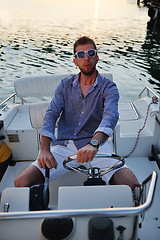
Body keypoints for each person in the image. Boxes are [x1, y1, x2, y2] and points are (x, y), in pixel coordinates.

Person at [14, 36, 139, 190]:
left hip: (97, 146)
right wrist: (44, 149)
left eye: (91, 53)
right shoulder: (65, 85)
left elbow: (110, 117)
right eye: (81, 55)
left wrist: (93, 144)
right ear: (75, 61)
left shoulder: (109, 87)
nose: (86, 58)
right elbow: (51, 114)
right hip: (64, 146)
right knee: (21, 182)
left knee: (132, 185)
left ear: (97, 57)